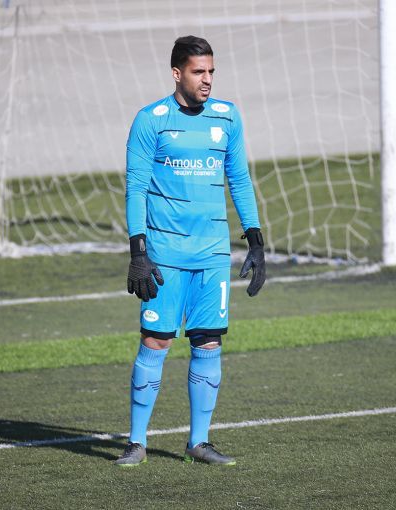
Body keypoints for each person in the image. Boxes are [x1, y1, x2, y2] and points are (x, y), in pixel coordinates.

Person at [116, 35, 265, 467]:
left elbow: (240, 179)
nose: (207, 80)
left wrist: (255, 240)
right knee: (156, 341)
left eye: (211, 71)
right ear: (177, 73)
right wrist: (138, 251)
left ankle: (198, 442)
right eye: (199, 72)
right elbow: (135, 188)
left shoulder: (228, 117)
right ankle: (136, 443)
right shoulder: (151, 120)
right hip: (164, 255)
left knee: (209, 342)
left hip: (213, 255)